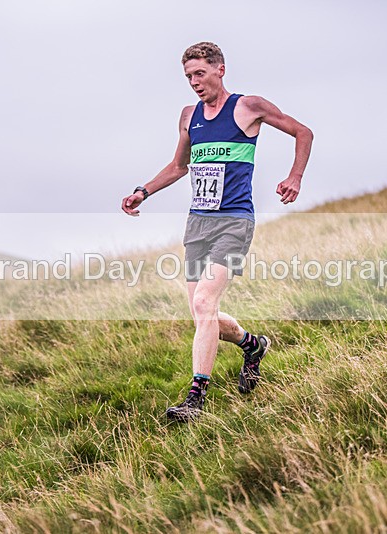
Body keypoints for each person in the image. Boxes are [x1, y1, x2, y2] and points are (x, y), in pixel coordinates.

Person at [121, 42, 313, 421]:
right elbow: (179, 167)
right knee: (201, 313)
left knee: (206, 303)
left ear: (220, 69)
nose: (194, 82)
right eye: (188, 76)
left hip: (234, 222)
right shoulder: (188, 115)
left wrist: (295, 176)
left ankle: (196, 400)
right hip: (198, 225)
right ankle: (252, 345)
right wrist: (143, 191)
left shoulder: (248, 107)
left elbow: (302, 132)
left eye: (200, 74)